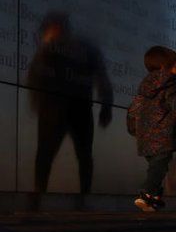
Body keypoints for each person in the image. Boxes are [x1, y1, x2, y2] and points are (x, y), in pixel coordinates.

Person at [27, 12, 113, 195]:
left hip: (73, 108)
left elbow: (102, 79)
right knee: (48, 153)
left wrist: (106, 106)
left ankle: (82, 195)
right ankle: (39, 194)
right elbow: (35, 76)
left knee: (79, 155)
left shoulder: (83, 48)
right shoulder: (51, 48)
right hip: (56, 108)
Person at [126, 46, 176, 212]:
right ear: (164, 67)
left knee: (156, 167)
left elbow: (133, 109)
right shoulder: (171, 84)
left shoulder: (145, 85)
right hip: (163, 134)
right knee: (159, 167)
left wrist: (134, 129)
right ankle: (146, 193)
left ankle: (154, 197)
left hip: (145, 136)